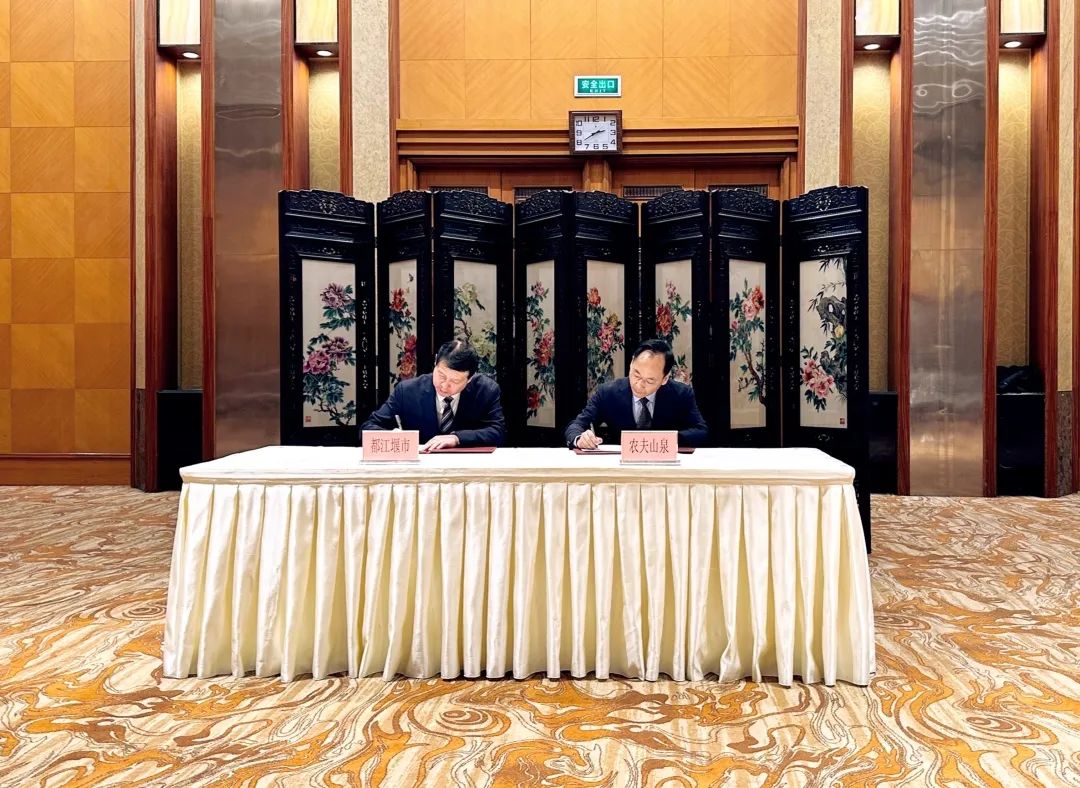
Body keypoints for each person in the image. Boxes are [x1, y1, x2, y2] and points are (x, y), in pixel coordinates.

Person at [362, 339, 506, 451]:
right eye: (441, 375)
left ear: (470, 379)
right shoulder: (407, 391)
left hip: (465, 468)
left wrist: (457, 438)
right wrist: (390, 437)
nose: (444, 385)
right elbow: (368, 427)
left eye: (455, 381)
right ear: (435, 361)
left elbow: (498, 432)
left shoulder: (486, 390)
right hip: (419, 468)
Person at [565, 338, 708, 449]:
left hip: (665, 466)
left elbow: (701, 431)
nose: (639, 385)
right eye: (636, 374)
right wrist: (580, 439)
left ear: (664, 379)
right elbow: (576, 426)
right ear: (631, 363)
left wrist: (665, 440)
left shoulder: (681, 394)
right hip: (621, 467)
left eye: (650, 380)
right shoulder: (608, 393)